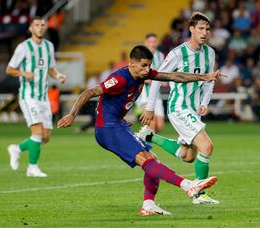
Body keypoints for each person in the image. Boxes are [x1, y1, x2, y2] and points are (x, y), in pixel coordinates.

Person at [57, 45, 221, 215]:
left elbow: (173, 76)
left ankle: (148, 205)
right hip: (107, 128)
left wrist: (203, 77)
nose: (147, 70)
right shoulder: (120, 78)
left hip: (118, 125)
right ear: (131, 64)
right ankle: (188, 185)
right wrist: (71, 115)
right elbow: (90, 92)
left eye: (149, 65)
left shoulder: (144, 73)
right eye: (143, 66)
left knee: (151, 160)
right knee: (146, 159)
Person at [138, 12, 220, 205]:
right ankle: (199, 195)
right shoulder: (177, 54)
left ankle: (149, 136)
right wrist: (150, 108)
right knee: (207, 146)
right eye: (200, 28)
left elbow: (209, 80)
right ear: (191, 29)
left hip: (192, 109)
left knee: (188, 156)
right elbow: (158, 78)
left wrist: (204, 103)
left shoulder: (210, 53)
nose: (204, 32)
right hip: (178, 107)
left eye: (207, 29)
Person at [6, 16, 67, 177]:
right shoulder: (23, 47)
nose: (40, 27)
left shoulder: (49, 46)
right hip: (28, 96)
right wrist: (22, 72)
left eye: (42, 25)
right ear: (30, 29)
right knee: (38, 132)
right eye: (37, 25)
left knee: (45, 137)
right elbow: (10, 69)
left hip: (43, 97)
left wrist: (59, 75)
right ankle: (32, 168)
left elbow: (51, 69)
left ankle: (16, 149)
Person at [137, 33, 165, 132]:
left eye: (154, 42)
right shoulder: (140, 55)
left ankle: (141, 136)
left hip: (157, 95)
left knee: (159, 126)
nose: (152, 44)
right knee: (150, 123)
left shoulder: (160, 55)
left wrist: (163, 80)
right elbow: (135, 72)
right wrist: (146, 79)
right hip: (144, 94)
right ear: (145, 43)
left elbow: (162, 73)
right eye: (150, 42)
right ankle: (145, 146)